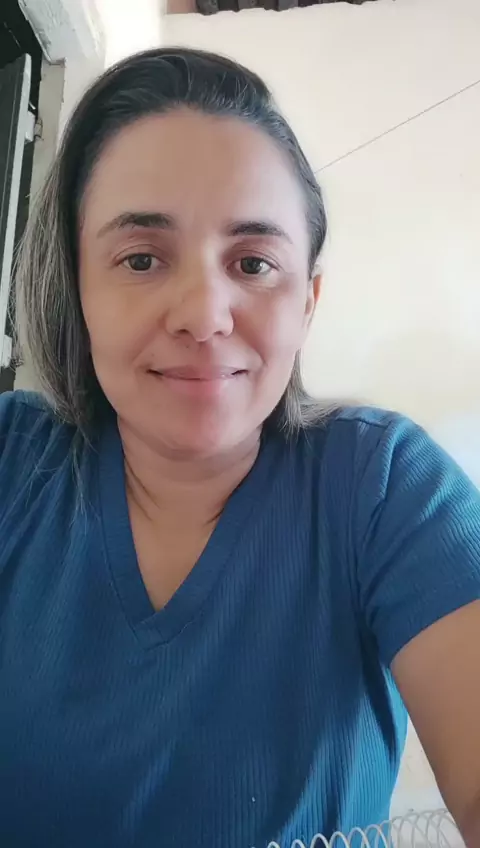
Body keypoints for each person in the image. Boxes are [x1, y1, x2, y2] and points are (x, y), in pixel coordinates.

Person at [0, 47, 479, 848]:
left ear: (308, 303)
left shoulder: (383, 488)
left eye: (254, 263)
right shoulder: (12, 465)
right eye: (141, 259)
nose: (203, 315)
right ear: (77, 287)